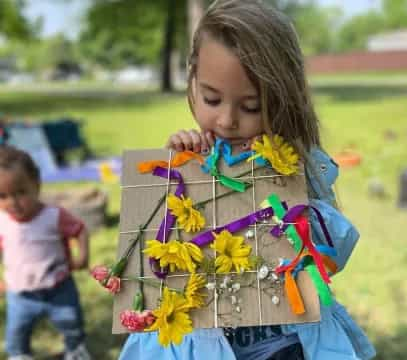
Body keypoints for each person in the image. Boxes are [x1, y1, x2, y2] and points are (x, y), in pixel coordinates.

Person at [119, 1, 376, 359]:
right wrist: (174, 166)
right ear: (192, 78)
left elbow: (334, 250)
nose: (226, 120)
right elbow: (153, 257)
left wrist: (291, 184)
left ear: (283, 97)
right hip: (202, 344)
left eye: (252, 106)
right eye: (212, 98)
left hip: (286, 343)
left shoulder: (294, 163)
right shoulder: (187, 160)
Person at [0, 146, 91, 360]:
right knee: (16, 332)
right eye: (2, 196)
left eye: (20, 192)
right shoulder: (2, 221)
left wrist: (83, 256)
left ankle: (75, 350)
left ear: (36, 184)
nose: (13, 202)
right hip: (20, 294)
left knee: (71, 323)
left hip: (58, 288)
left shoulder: (53, 216)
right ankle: (19, 354)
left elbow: (79, 230)